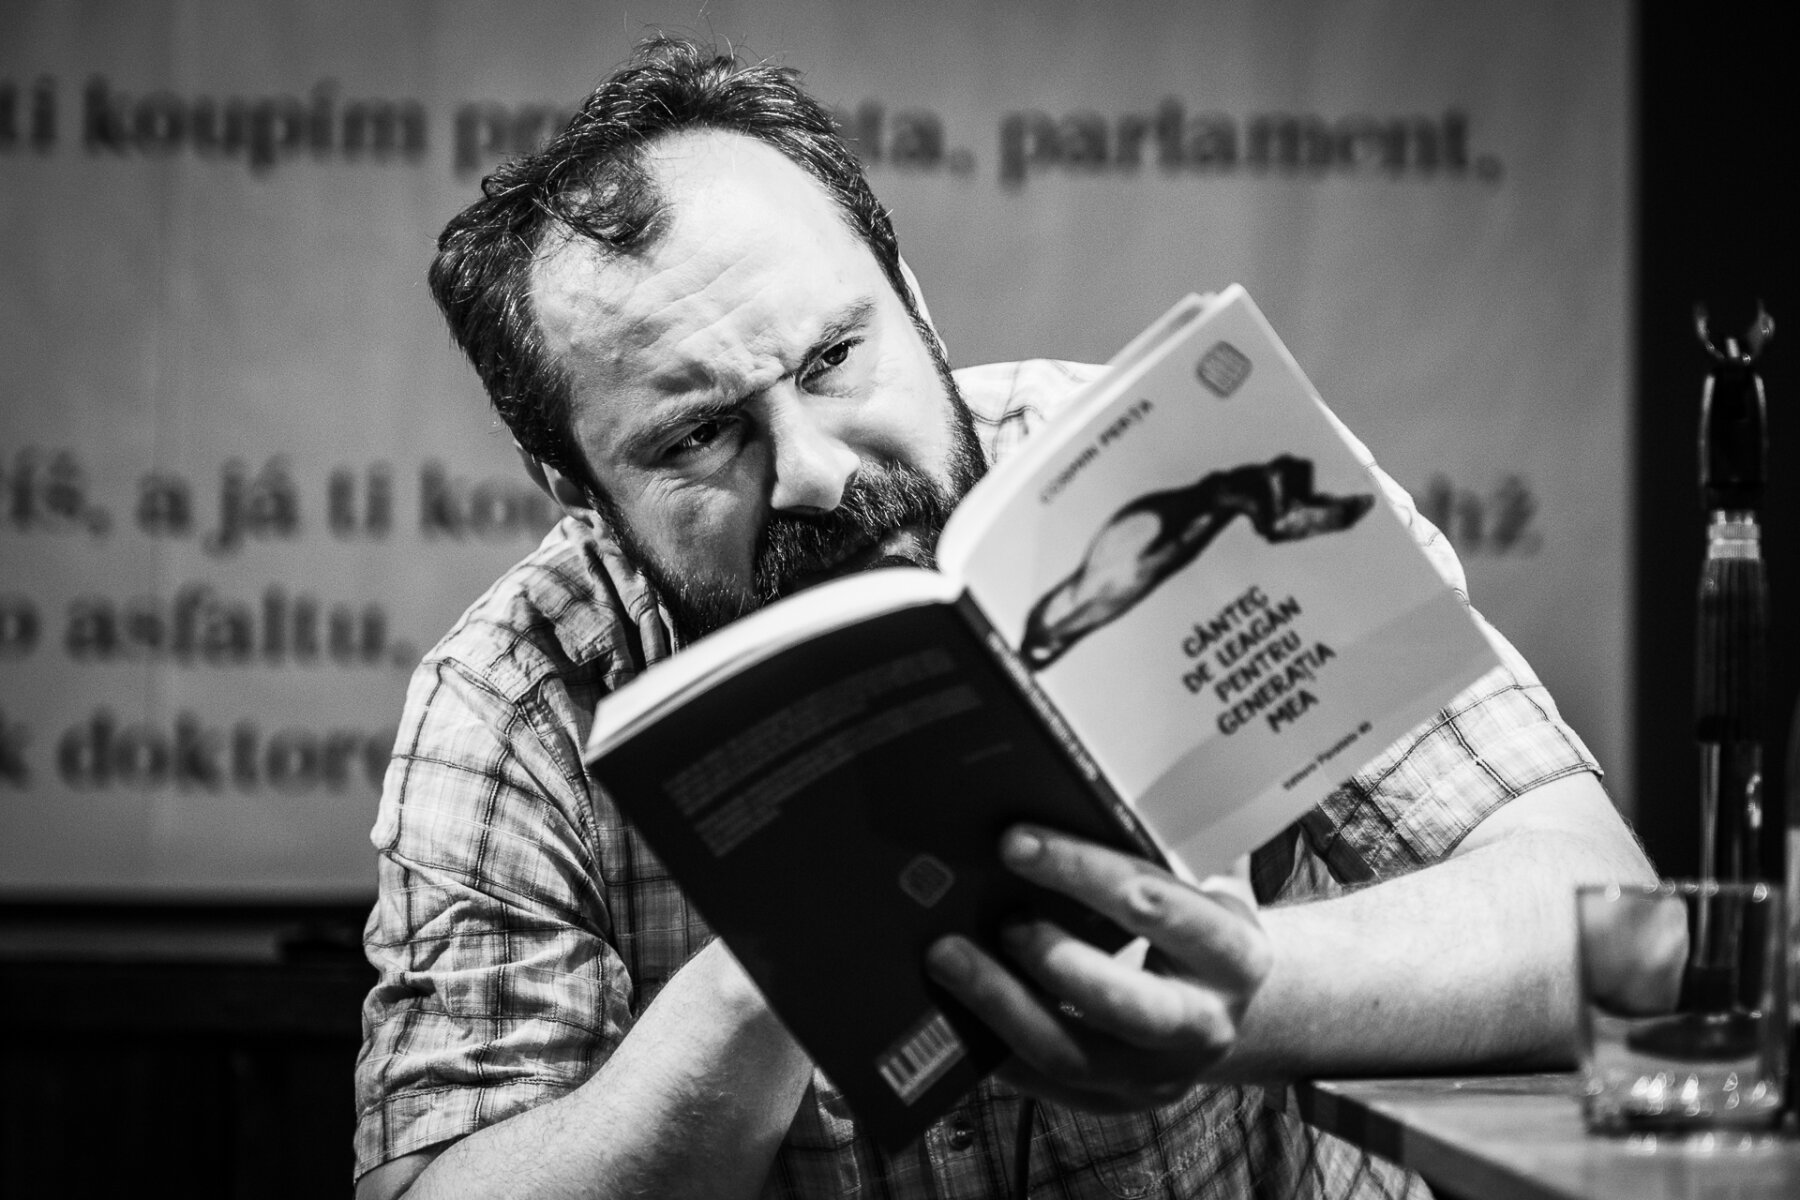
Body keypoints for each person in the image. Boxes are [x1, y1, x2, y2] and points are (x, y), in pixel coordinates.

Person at [354, 37, 1654, 1200]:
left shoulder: (1179, 477)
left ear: (914, 303)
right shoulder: (513, 700)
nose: (815, 471)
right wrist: (777, 970)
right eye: (700, 435)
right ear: (574, 487)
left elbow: (1619, 929)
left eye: (833, 359)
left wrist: (1245, 990)